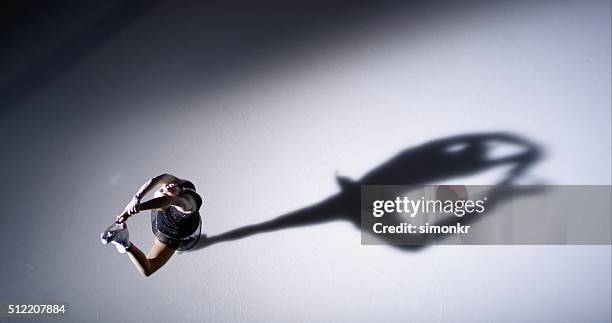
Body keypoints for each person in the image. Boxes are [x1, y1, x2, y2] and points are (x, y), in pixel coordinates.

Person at [101, 173, 203, 277]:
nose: (166, 188)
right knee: (148, 269)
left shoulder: (180, 184)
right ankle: (125, 243)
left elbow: (159, 179)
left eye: (162, 188)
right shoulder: (187, 203)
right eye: (164, 192)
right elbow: (168, 200)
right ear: (166, 205)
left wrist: (136, 198)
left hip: (170, 220)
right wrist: (129, 211)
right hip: (171, 232)